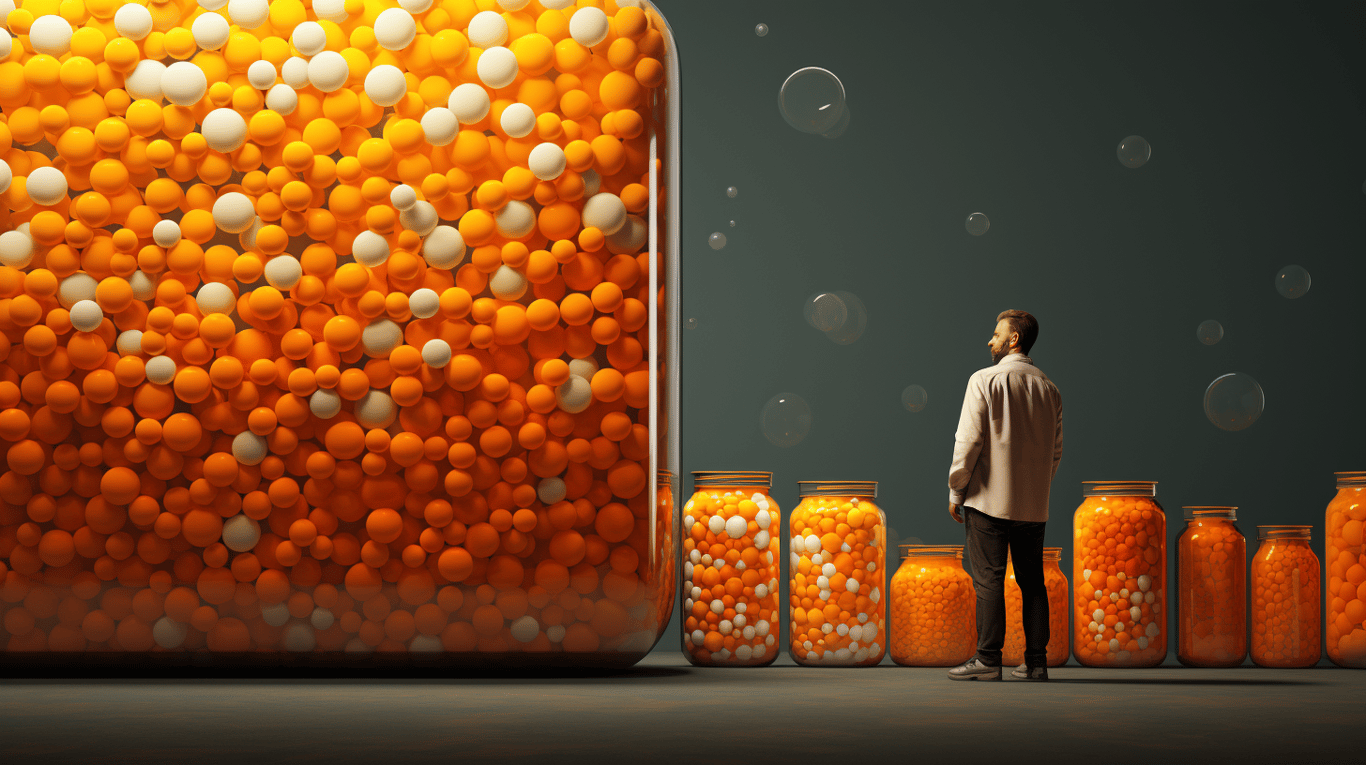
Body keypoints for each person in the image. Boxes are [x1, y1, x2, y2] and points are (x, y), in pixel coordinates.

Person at [944, 310, 1063, 682]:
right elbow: (1055, 452)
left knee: (988, 580)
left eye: (996, 334)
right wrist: (1036, 487)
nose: (990, 340)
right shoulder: (1050, 388)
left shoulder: (983, 379)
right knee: (1032, 582)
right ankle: (1037, 662)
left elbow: (968, 441)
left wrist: (956, 488)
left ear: (1014, 339)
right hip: (1033, 504)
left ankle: (987, 659)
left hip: (987, 499)